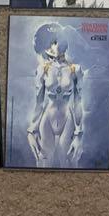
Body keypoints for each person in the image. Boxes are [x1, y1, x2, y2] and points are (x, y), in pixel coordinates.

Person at [26, 23, 84, 168]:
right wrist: (31, 130)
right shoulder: (42, 69)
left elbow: (78, 102)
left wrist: (79, 134)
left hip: (67, 118)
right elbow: (39, 102)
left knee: (69, 161)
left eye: (54, 42)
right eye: (48, 44)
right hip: (47, 118)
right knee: (43, 161)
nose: (52, 47)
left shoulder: (75, 69)